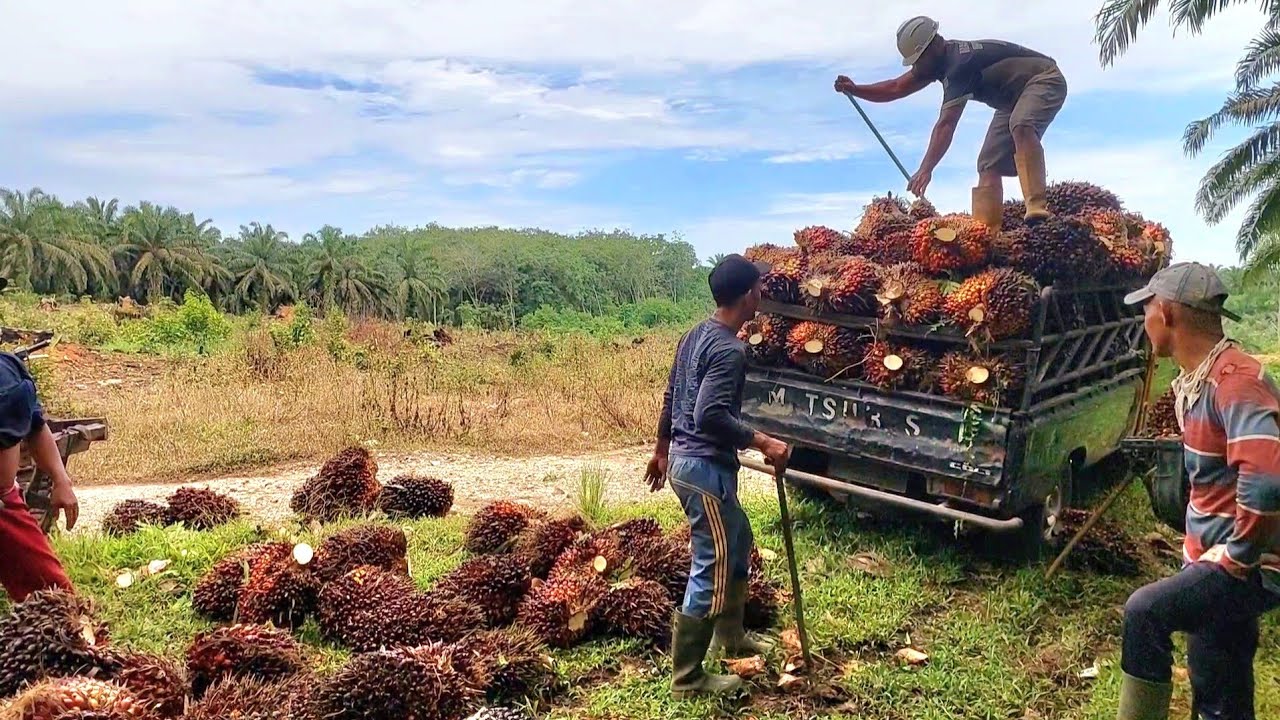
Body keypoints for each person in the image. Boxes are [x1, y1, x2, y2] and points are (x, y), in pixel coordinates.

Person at [1117, 263, 1280, 720]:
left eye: (1147, 309)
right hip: (1210, 555)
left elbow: (1267, 479)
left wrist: (1237, 559)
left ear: (1166, 312)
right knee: (1220, 686)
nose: (1144, 320)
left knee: (1145, 612)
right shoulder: (1201, 381)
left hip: (1247, 564)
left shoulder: (1235, 382)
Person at [644, 254, 791, 699]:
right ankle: (688, 678)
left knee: (738, 538)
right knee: (712, 564)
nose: (762, 292)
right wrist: (764, 442)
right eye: (759, 286)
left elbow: (672, 393)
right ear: (748, 296)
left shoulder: (694, 335)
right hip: (703, 469)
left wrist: (661, 450)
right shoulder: (729, 349)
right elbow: (708, 414)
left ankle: (732, 636)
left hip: (687, 463)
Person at [833, 16, 1068, 229]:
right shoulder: (936, 62)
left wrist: (925, 169)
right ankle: (986, 232)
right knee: (988, 164)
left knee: (1022, 125)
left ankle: (1037, 209)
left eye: (919, 60)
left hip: (1043, 78)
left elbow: (946, 124)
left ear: (934, 46)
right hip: (1012, 100)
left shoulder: (959, 64)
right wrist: (856, 89)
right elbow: (896, 87)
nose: (917, 67)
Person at [0, 316, 80, 602]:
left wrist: (61, 479)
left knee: (55, 597)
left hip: (4, 505)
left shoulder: (9, 371)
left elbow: (36, 426)